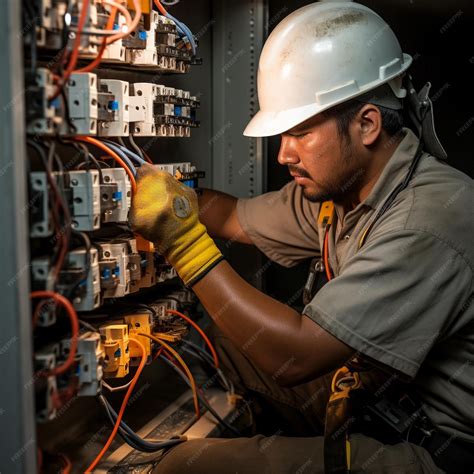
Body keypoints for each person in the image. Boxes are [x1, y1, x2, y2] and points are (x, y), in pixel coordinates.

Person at [130, 2, 474, 472]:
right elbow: (233, 216)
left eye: (301, 133)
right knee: (214, 338)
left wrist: (183, 241)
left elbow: (295, 356)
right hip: (387, 403)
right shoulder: (345, 192)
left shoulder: (426, 221)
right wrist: (157, 189)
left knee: (182, 467)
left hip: (438, 452)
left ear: (367, 124)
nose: (283, 156)